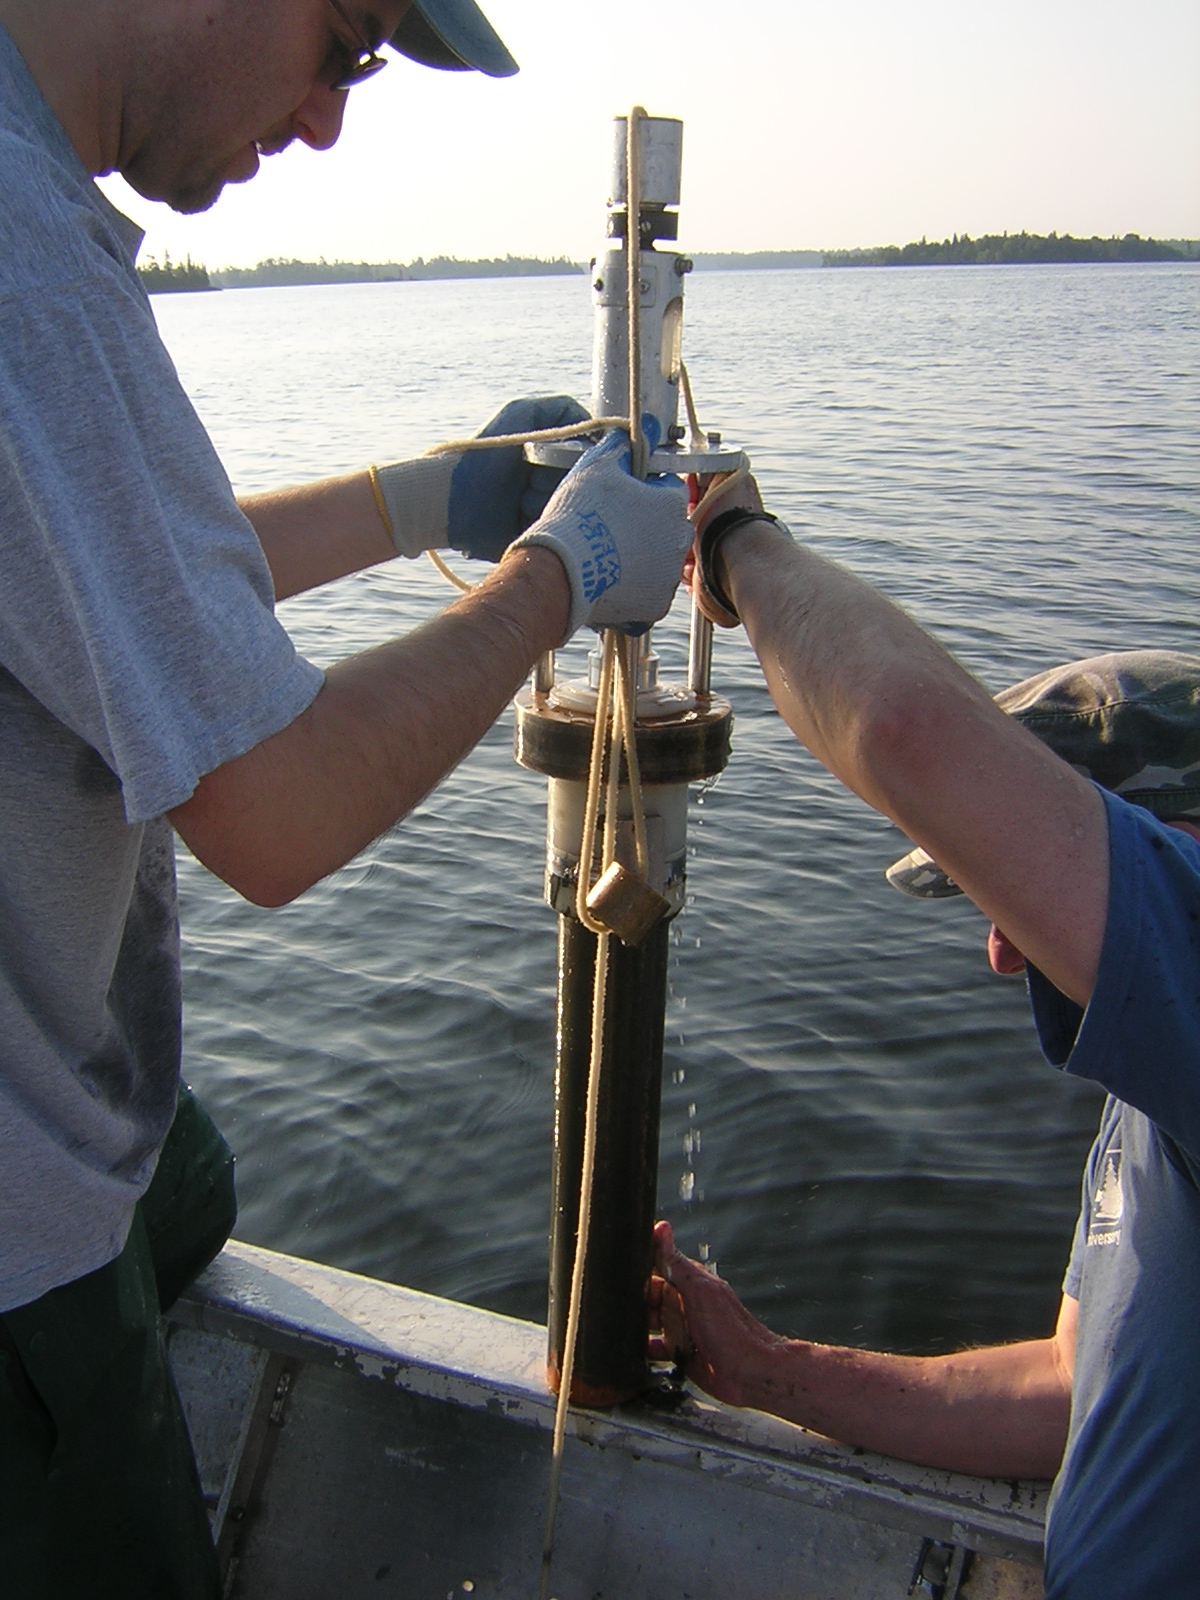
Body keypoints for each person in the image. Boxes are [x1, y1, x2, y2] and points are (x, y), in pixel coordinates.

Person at [0, 2, 694, 1593]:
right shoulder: (28, 270)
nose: (326, 120)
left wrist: (417, 499)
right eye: (349, 40)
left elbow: (114, 574)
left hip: (61, 1102)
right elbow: (280, 809)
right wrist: (554, 578)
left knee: (192, 1180)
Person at [650, 471, 1200, 1600]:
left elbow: (904, 731)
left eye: (1014, 894)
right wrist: (764, 1368)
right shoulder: (1151, 1099)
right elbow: (1065, 1384)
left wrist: (737, 544)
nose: (1001, 954)